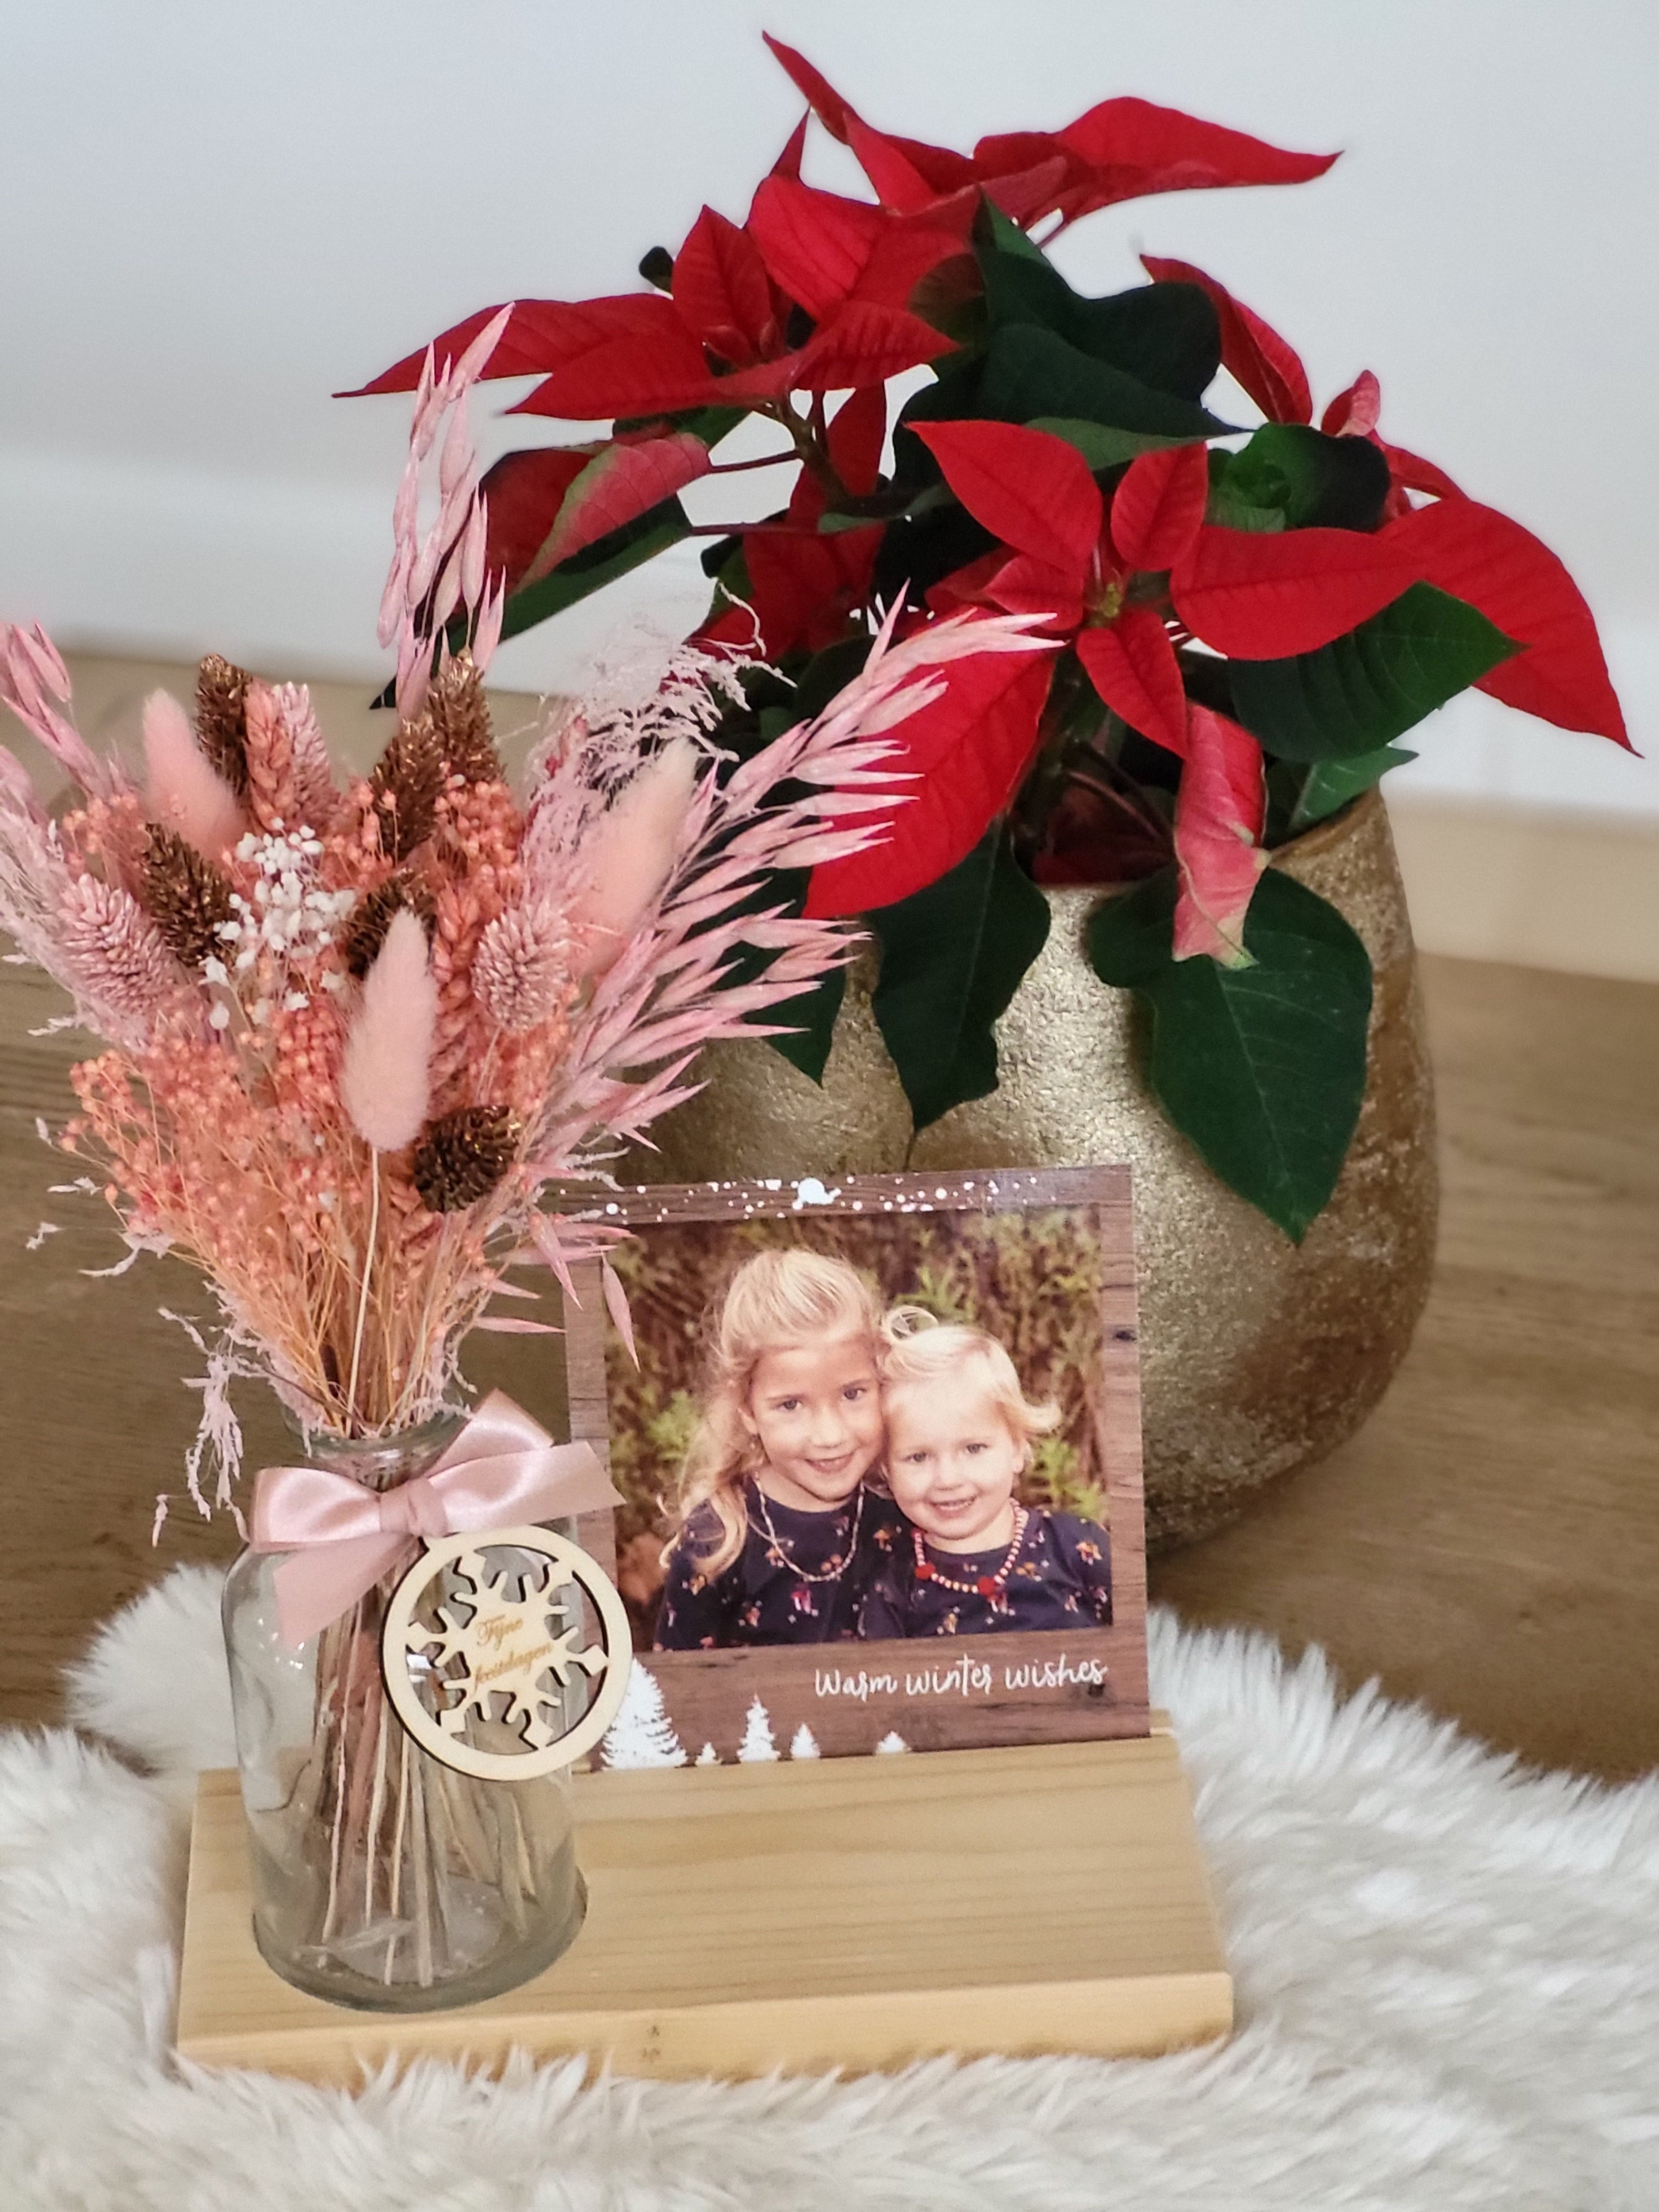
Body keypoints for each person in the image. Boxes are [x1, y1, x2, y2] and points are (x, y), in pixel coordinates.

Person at [653, 1248, 904, 1649]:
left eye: (853, 1393)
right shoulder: (717, 1541)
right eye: (791, 1405)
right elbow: (674, 1696)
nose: (829, 1435)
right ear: (748, 1411)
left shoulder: (903, 1510)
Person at [860, 1310, 1112, 1639]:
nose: (947, 1479)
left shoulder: (1077, 1547)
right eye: (918, 1457)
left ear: (1017, 1449)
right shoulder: (893, 1586)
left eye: (974, 1449)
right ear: (887, 1470)